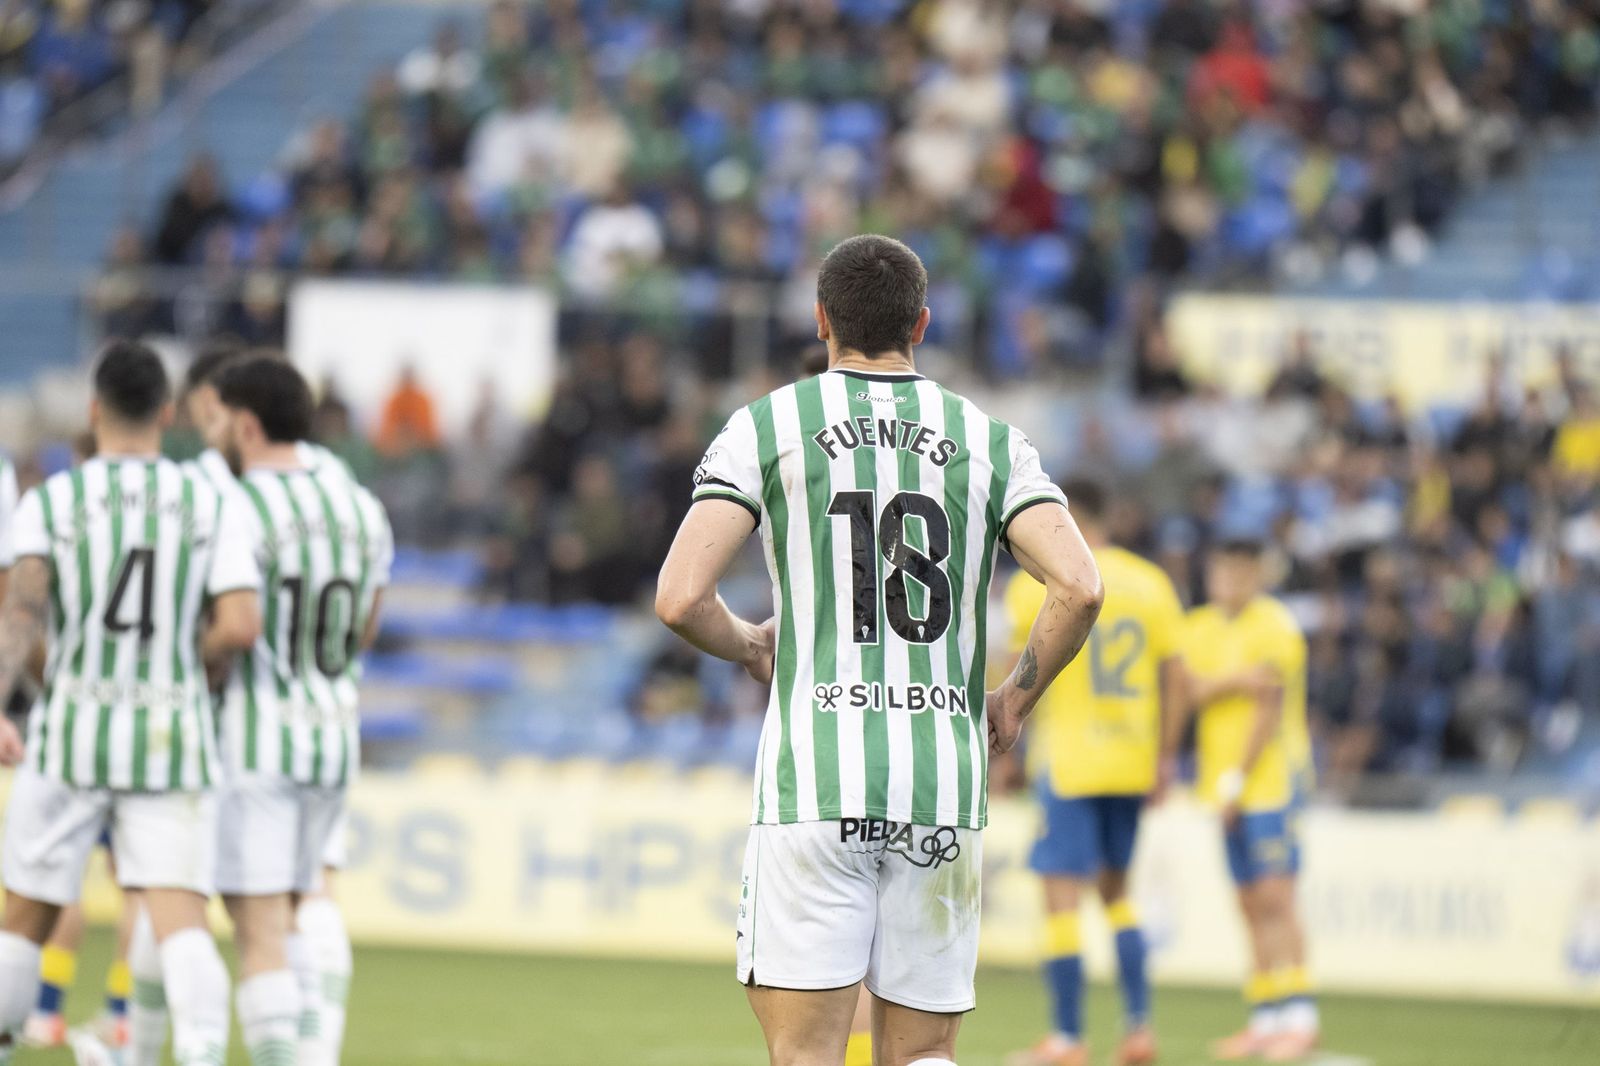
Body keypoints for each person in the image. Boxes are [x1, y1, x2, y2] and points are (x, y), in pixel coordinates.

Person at [655, 234, 1104, 1066]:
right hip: (941, 780)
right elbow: (1079, 587)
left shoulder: (770, 425)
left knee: (808, 1055)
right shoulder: (990, 439)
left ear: (822, 321)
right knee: (923, 1055)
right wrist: (1013, 697)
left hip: (815, 782)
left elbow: (681, 598)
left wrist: (752, 645)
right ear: (922, 325)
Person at [0, 340, 262, 1066]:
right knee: (180, 918)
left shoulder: (53, 497)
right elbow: (240, 623)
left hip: (72, 726)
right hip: (170, 732)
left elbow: (19, 614)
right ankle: (202, 1054)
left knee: (24, 914)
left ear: (94, 410)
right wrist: (187, 662)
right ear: (168, 413)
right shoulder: (207, 499)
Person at [211, 356, 392, 1066]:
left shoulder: (235, 504)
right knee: (308, 900)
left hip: (258, 737)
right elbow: (367, 629)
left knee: (258, 932)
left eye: (222, 418)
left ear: (247, 423)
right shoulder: (360, 506)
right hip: (332, 731)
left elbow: (236, 625)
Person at [1004, 480, 1186, 1066]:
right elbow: (1175, 676)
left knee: (1060, 897)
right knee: (1118, 896)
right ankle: (1138, 1028)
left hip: (1072, 761)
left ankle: (1067, 1038)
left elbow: (1018, 667)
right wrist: (1165, 756)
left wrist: (1005, 747)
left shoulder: (1038, 584)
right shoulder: (1151, 583)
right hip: (1132, 760)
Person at [1182, 540, 1318, 1062]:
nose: (1227, 581)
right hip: (1223, 785)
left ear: (1256, 574)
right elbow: (1188, 690)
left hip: (1270, 783)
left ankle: (1301, 1015)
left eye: (1238, 572)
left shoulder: (1275, 625)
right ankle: (1266, 1016)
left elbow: (1268, 706)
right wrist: (1236, 680)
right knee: (1246, 902)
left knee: (1276, 898)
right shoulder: (1200, 627)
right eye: (1220, 570)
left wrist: (1238, 779)